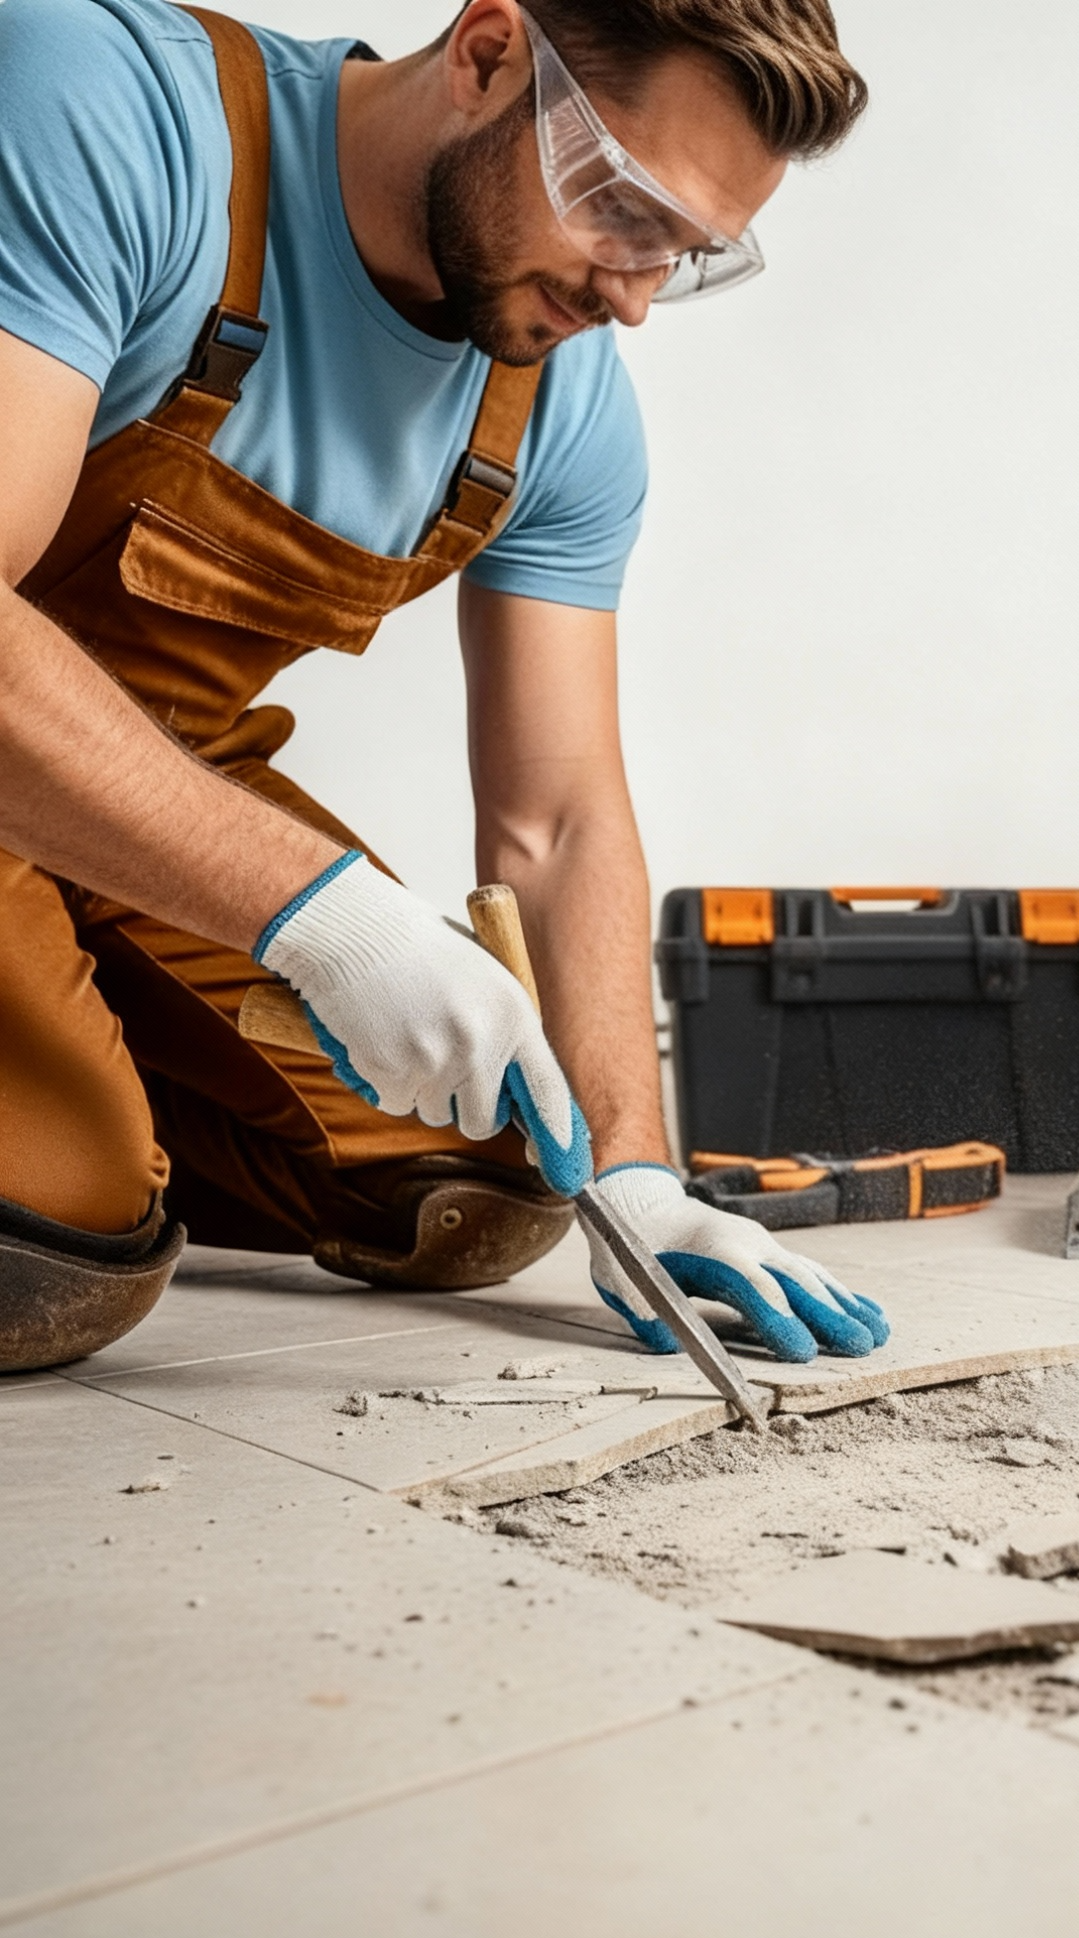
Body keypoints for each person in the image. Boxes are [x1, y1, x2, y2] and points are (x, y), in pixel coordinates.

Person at [0, 0, 888, 1368]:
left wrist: (638, 1172)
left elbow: (559, 817)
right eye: (625, 210)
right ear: (485, 55)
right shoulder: (111, 111)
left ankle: (75, 1056)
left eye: (685, 256)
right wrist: (318, 914)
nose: (633, 298)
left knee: (493, 1171)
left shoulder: (558, 401)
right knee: (56, 1241)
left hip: (145, 810)